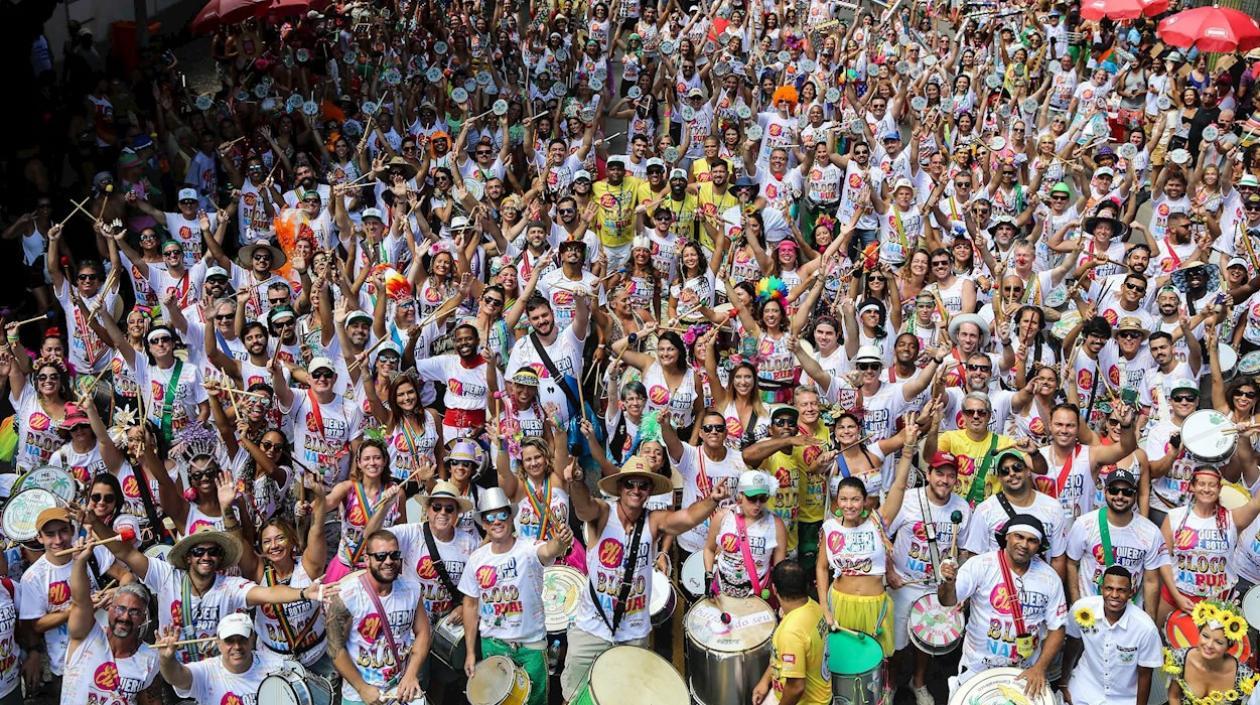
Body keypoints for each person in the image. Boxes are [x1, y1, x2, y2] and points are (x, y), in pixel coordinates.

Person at [560, 454, 726, 700]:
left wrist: (712, 500)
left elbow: (687, 518)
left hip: (633, 631)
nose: (636, 490)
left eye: (643, 485)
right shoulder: (603, 513)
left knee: (626, 695)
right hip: (591, 628)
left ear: (650, 490)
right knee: (574, 694)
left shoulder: (654, 520)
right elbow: (584, 507)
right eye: (630, 484)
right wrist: (576, 482)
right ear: (619, 487)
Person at [459, 488, 573, 705]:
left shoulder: (528, 548)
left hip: (530, 648)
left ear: (511, 518)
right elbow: (470, 605)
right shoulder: (476, 559)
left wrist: (560, 541)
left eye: (502, 514)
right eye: (490, 517)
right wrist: (470, 652)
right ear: (484, 524)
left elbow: (550, 550)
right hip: (493, 646)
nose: (496, 521)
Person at [940, 514, 1068, 693]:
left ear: (1039, 546)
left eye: (1032, 540)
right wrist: (948, 583)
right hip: (977, 669)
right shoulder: (981, 565)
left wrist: (1039, 668)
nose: (1024, 545)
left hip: (1024, 674)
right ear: (1007, 536)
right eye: (1019, 537)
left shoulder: (1050, 578)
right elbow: (947, 600)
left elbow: (1058, 628)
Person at [888, 450, 971, 705]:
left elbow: (965, 550)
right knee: (896, 644)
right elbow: (882, 535)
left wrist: (959, 585)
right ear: (928, 473)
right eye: (939, 473)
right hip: (904, 582)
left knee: (927, 641)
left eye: (950, 475)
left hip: (937, 587)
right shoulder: (907, 500)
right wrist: (890, 572)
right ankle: (891, 683)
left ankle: (919, 682)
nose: (944, 480)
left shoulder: (962, 507)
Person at [325, 529, 431, 705]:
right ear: (367, 559)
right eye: (381, 556)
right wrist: (362, 688)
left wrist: (411, 674)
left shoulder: (412, 589)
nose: (388, 561)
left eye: (394, 555)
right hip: (360, 696)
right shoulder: (347, 595)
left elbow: (423, 632)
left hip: (399, 689)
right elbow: (335, 649)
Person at [61, 539, 160, 705]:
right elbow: (80, 603)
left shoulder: (150, 658)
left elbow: (151, 700)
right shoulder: (85, 638)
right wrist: (79, 562)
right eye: (120, 608)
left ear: (143, 618)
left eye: (134, 612)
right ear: (110, 609)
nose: (125, 617)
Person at [1061, 565, 1163, 705]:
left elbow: (1145, 675)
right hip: (1084, 687)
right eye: (1109, 588)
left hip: (1124, 698)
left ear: (1131, 593)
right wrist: (1063, 683)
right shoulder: (1082, 609)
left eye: (1121, 590)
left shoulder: (1145, 628)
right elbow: (1072, 644)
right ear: (1101, 589)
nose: (1114, 595)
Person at [156, 613, 285, 705]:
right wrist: (166, 659)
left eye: (242, 639)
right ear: (218, 642)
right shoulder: (206, 672)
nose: (237, 646)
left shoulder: (277, 666)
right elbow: (176, 677)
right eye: (229, 641)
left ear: (252, 638)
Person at [752, 561, 831, 705]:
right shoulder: (812, 606)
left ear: (774, 589)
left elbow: (796, 688)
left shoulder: (791, 632)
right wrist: (765, 681)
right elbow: (781, 656)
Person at [704, 470, 787, 598]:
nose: (758, 504)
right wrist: (709, 574)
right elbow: (709, 549)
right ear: (740, 496)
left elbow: (779, 568)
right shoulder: (723, 517)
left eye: (763, 498)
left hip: (757, 594)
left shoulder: (776, 524)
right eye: (752, 498)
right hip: (722, 590)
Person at [1164, 600, 1257, 705]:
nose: (1209, 645)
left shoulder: (1242, 676)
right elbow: (1174, 697)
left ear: (1228, 647)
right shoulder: (1179, 659)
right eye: (1205, 636)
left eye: (1218, 642)